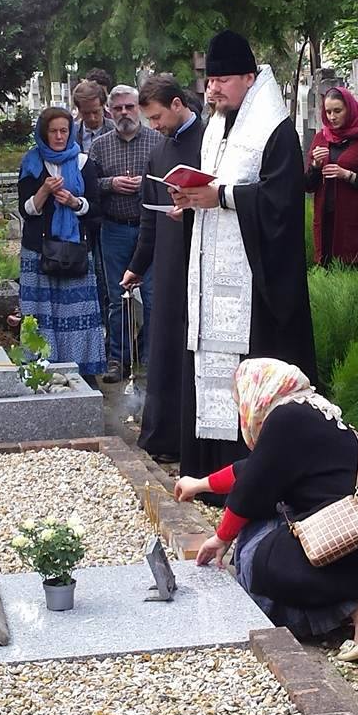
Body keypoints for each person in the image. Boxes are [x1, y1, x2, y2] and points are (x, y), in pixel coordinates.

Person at [177, 358, 358, 660]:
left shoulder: (285, 419)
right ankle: (354, 606)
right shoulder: (309, 411)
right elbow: (257, 469)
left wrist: (221, 539)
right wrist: (200, 484)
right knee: (260, 557)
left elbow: (251, 487)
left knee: (254, 565)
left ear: (256, 393)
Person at [167, 30, 316, 482]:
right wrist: (192, 202)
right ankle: (208, 474)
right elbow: (211, 186)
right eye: (209, 81)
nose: (213, 89)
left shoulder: (275, 129)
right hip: (211, 276)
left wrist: (222, 196)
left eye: (223, 80)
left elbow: (280, 202)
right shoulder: (217, 125)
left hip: (256, 287)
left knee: (249, 368)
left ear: (249, 77)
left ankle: (254, 478)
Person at [128, 76, 205, 465]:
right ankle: (163, 435)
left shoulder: (210, 142)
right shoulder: (159, 153)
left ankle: (191, 440)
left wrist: (193, 206)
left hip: (203, 259)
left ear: (178, 104)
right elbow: (148, 217)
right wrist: (137, 266)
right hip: (169, 265)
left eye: (157, 117)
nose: (154, 126)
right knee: (166, 345)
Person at [18, 107, 105, 380]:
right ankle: (41, 369)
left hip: (75, 251)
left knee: (76, 313)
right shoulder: (31, 162)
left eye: (64, 131)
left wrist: (74, 202)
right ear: (44, 133)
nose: (58, 136)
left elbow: (96, 209)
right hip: (38, 250)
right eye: (53, 131)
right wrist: (43, 191)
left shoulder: (82, 163)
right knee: (42, 315)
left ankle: (80, 372)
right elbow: (27, 211)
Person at [89, 84, 164, 382]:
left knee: (153, 296)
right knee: (117, 297)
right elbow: (90, 185)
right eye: (118, 108)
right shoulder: (100, 145)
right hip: (115, 228)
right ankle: (118, 360)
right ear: (110, 110)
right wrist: (111, 184)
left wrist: (144, 185)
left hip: (151, 231)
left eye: (129, 107)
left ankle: (150, 361)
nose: (124, 113)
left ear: (139, 108)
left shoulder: (157, 141)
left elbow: (166, 183)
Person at [305, 86, 358, 266]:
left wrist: (347, 175)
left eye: (337, 111)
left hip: (352, 225)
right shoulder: (321, 138)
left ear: (349, 110)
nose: (332, 117)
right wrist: (315, 166)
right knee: (326, 271)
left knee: (352, 271)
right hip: (324, 222)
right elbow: (308, 185)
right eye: (328, 112)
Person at [71, 79, 111, 145]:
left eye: (96, 112)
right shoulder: (70, 133)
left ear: (103, 106)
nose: (92, 118)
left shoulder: (117, 131)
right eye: (86, 113)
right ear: (79, 110)